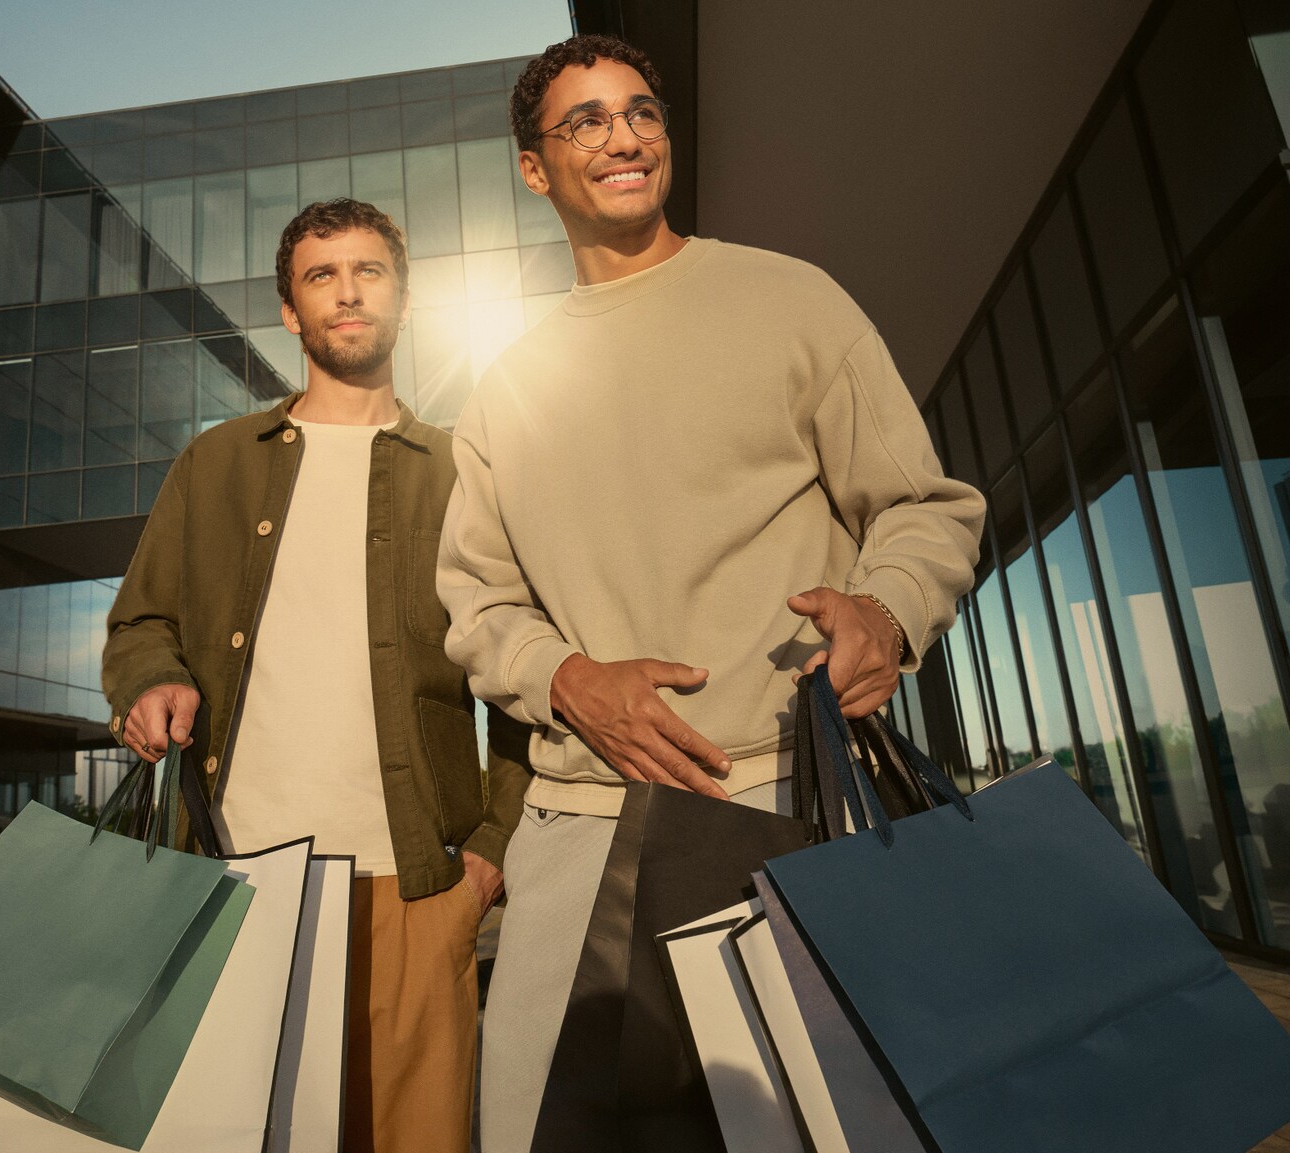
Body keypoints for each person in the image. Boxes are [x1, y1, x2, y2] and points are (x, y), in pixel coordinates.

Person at [434, 34, 987, 1152]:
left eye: (640, 110)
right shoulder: (502, 386)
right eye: (583, 121)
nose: (624, 135)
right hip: (577, 833)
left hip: (788, 805)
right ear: (533, 170)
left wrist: (883, 608)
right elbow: (478, 607)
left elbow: (926, 508)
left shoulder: (791, 300)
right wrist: (569, 678)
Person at [102, 197, 529, 1153]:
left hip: (417, 885)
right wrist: (149, 682)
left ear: (404, 300)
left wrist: (493, 847)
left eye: (369, 271)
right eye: (321, 276)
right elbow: (141, 621)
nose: (347, 292)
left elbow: (519, 670)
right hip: (236, 883)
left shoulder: (466, 471)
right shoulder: (216, 464)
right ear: (290, 313)